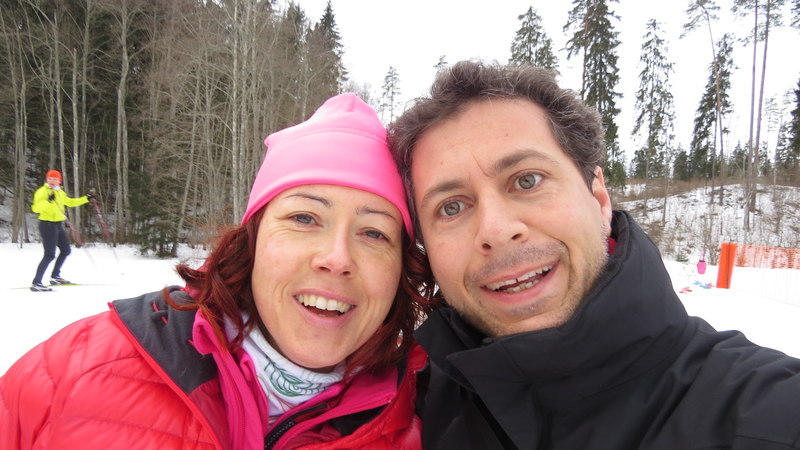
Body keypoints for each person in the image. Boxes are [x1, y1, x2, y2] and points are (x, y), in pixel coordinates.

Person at [388, 60, 800, 449]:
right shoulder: (405, 410)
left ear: (599, 197)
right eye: (451, 207)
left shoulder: (773, 414)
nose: (495, 230)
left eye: (527, 180)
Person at [1, 93, 434, 449]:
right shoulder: (74, 369)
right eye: (304, 218)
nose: (337, 259)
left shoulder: (427, 423)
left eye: (374, 233)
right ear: (252, 240)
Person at [29, 169, 94, 291]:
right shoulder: (42, 191)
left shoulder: (60, 192)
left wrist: (86, 198)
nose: (52, 181)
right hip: (47, 225)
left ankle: (55, 277)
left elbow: (70, 202)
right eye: (50, 178)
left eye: (55, 179)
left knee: (65, 250)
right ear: (47, 179)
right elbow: (35, 208)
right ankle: (36, 283)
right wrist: (48, 201)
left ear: (59, 181)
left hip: (58, 225)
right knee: (49, 255)